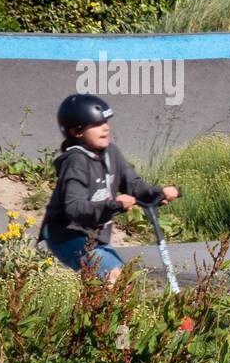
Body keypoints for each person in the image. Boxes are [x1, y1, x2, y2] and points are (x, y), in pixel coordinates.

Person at [39, 95, 179, 285]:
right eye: (97, 124)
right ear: (76, 131)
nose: (106, 127)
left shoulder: (111, 153)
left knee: (120, 282)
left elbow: (134, 185)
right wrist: (114, 205)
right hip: (66, 235)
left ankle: (90, 312)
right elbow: (74, 208)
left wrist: (158, 192)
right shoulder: (75, 161)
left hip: (94, 237)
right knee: (114, 278)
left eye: (105, 122)